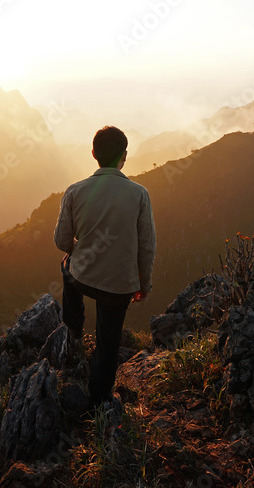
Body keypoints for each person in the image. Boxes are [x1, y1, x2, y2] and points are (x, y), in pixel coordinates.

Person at [54, 125, 156, 408]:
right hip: (119, 286)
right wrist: (143, 285)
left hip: (83, 277)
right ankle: (99, 400)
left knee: (67, 266)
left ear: (93, 154)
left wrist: (82, 250)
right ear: (124, 156)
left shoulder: (75, 191)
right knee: (108, 342)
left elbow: (62, 241)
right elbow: (147, 247)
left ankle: (74, 327)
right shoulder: (139, 194)